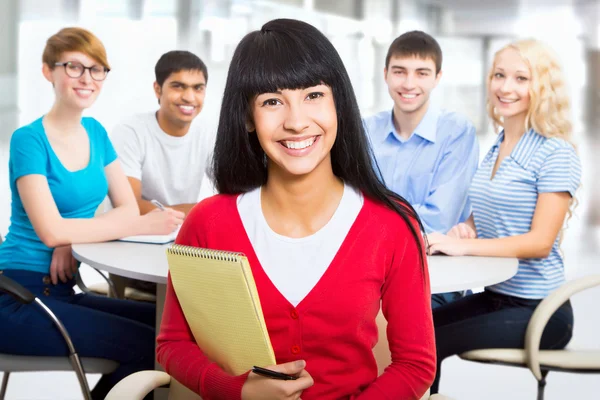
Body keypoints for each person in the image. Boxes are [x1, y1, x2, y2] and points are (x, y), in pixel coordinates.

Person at [157, 19, 435, 399]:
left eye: (314, 95)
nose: (296, 121)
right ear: (247, 118)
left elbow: (415, 364)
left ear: (339, 102)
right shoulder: (208, 223)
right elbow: (172, 344)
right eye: (272, 101)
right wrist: (237, 391)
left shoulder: (391, 224)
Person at [0, 27, 184, 399]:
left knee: (172, 331)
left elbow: (127, 207)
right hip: (18, 294)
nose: (87, 79)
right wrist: (68, 235)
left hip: (63, 290)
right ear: (48, 72)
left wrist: (74, 235)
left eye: (97, 69)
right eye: (74, 67)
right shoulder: (28, 140)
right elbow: (51, 232)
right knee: (150, 346)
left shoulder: (96, 133)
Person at [427, 39, 581, 393]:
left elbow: (540, 242)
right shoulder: (499, 143)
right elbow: (486, 212)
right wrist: (466, 229)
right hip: (497, 296)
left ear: (542, 88)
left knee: (428, 343)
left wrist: (461, 247)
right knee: (419, 330)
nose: (505, 87)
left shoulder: (555, 152)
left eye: (521, 78)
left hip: (541, 310)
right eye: (499, 75)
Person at [363, 31, 479, 308]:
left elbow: (439, 219)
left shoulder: (456, 132)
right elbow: (351, 206)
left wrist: (373, 222)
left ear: (438, 77)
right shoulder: (365, 130)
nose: (409, 83)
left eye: (422, 73)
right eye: (400, 71)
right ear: (386, 74)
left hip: (432, 275)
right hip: (370, 271)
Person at [111, 50, 214, 218]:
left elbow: (233, 198)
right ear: (158, 90)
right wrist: (199, 211)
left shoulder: (209, 134)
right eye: (178, 86)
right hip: (136, 235)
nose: (189, 97)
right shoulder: (130, 131)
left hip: (181, 235)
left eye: (198, 88)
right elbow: (129, 206)